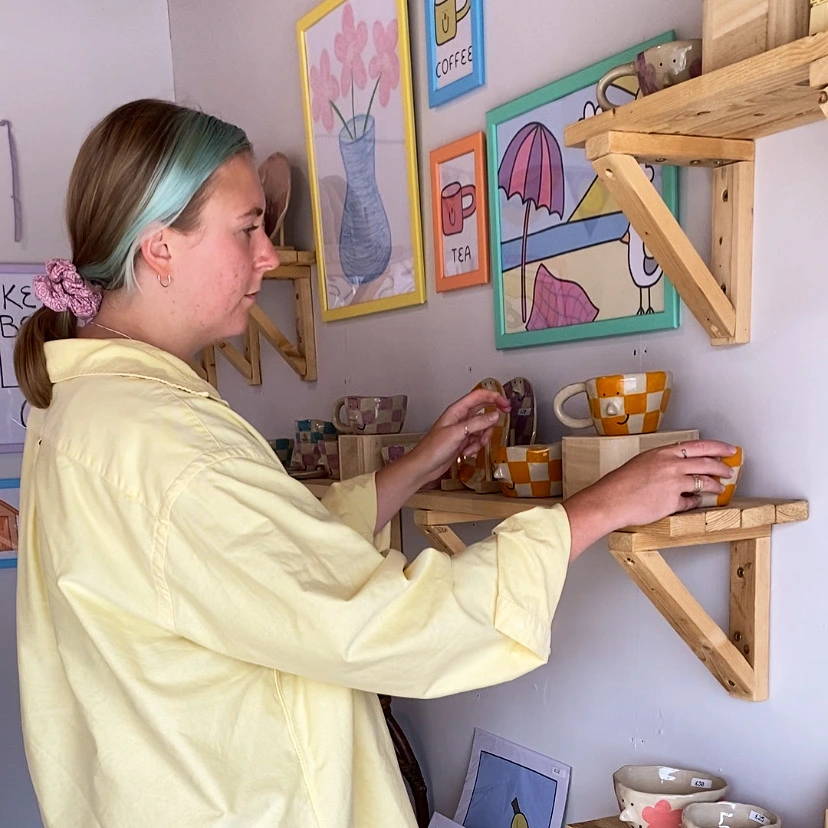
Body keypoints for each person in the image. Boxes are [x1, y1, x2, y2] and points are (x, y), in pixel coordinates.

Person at [13, 99, 736, 828]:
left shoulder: (82, 406)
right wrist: (602, 506)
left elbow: (259, 561)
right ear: (160, 246)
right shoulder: (166, 441)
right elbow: (376, 621)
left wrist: (417, 466)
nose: (267, 253)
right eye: (247, 228)